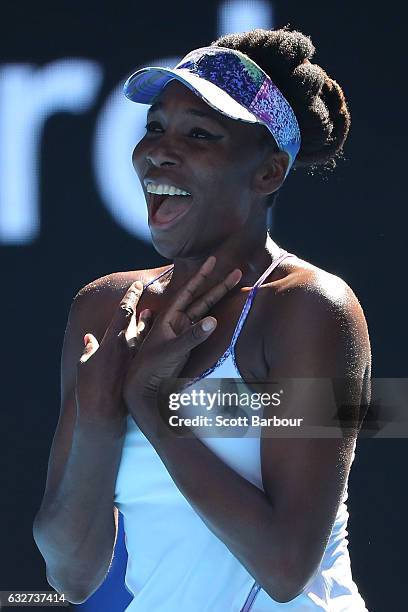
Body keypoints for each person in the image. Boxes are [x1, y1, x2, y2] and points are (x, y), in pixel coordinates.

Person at [33, 27, 371, 611]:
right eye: (156, 127)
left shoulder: (311, 308)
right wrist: (98, 415)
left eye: (199, 134)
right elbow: (71, 573)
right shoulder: (102, 308)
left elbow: (286, 567)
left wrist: (152, 403)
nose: (159, 150)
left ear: (268, 173)